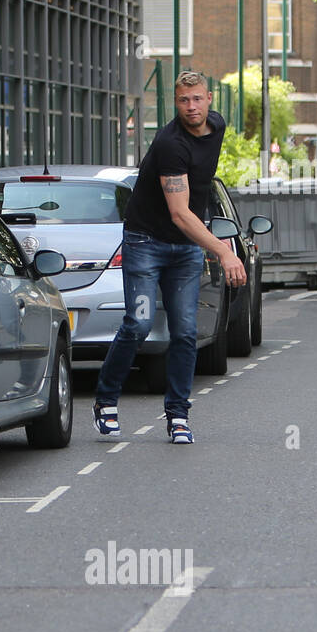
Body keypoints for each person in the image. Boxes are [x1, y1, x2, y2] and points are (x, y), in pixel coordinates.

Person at [92, 71, 246, 445]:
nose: (191, 107)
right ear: (174, 103)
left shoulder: (217, 126)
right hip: (146, 242)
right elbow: (179, 213)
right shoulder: (169, 144)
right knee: (139, 324)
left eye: (196, 99)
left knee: (185, 332)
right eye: (182, 101)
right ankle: (106, 399)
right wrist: (224, 250)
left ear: (209, 100)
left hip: (184, 250)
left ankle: (178, 415)